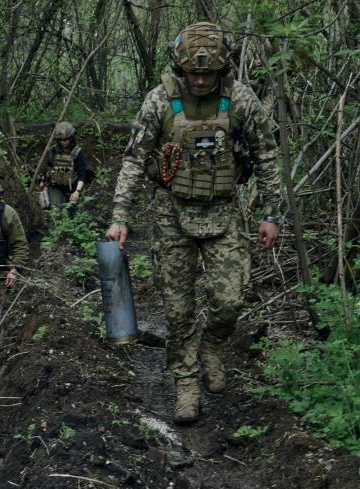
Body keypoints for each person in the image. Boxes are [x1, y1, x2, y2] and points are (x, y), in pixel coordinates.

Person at [105, 21, 282, 424]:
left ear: (223, 69)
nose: (200, 80)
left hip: (224, 211)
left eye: (209, 73)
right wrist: (120, 216)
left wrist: (270, 214)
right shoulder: (159, 102)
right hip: (172, 215)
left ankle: (213, 347)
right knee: (179, 310)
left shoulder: (240, 100)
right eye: (193, 72)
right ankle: (186, 385)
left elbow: (266, 156)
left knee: (230, 301)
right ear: (180, 68)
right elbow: (134, 160)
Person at [39, 121, 88, 208]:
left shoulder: (77, 153)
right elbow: (46, 168)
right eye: (60, 140)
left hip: (72, 188)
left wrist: (77, 191)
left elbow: (82, 174)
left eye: (65, 139)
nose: (63, 142)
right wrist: (42, 181)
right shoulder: (52, 151)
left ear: (71, 138)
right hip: (55, 187)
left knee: (72, 212)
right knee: (56, 209)